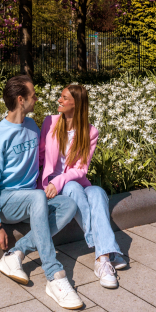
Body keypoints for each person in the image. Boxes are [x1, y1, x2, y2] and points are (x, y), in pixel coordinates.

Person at [0, 75, 84, 310]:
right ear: (20, 100)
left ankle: (15, 254)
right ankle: (55, 276)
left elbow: (43, 159)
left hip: (31, 197)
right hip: (7, 200)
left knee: (68, 204)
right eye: (33, 95)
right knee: (37, 197)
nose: (37, 99)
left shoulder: (31, 126)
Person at [38, 84, 127, 289]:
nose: (59, 100)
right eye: (60, 96)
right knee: (72, 188)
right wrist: (43, 185)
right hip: (54, 186)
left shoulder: (90, 131)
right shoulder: (50, 122)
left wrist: (61, 180)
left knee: (97, 192)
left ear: (76, 104)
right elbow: (41, 157)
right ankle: (105, 254)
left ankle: (101, 256)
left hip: (74, 181)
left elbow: (81, 170)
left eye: (64, 98)